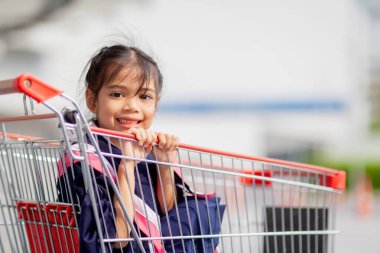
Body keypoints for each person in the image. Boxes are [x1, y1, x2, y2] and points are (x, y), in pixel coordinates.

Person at [56, 44, 225, 253]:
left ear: (156, 103)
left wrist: (164, 166)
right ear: (92, 100)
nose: (132, 106)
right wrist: (127, 167)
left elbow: (168, 213)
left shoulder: (148, 149)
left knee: (197, 214)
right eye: (117, 94)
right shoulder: (86, 159)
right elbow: (115, 238)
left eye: (144, 97)